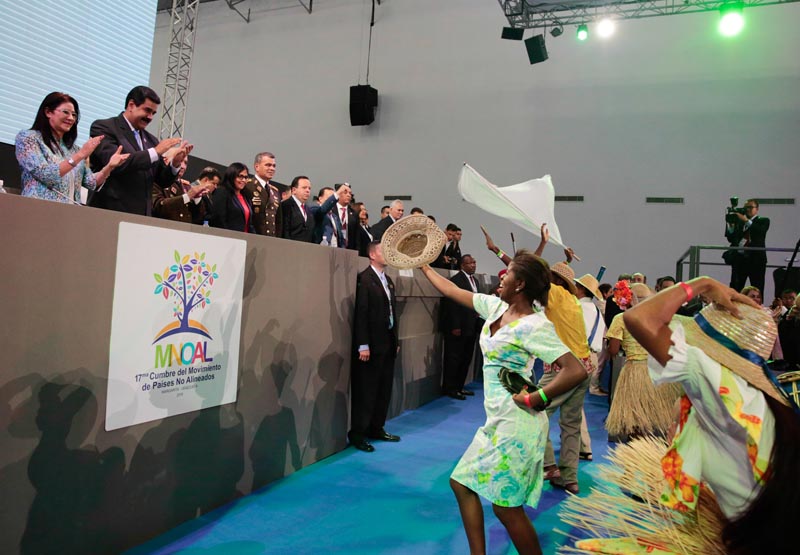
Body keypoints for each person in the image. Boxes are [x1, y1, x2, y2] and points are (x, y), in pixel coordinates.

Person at [420, 250, 587, 555]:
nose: (501, 276)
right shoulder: (495, 307)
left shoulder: (536, 326)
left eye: (507, 272)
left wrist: (537, 397)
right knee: (462, 484)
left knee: (506, 509)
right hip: (495, 421)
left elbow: (576, 369)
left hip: (518, 424)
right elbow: (452, 290)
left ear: (520, 283)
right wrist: (423, 265)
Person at [89, 85, 191, 215]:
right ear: (131, 105)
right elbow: (114, 163)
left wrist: (175, 164)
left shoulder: (151, 140)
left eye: (153, 113)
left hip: (141, 217)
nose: (150, 117)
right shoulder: (104, 127)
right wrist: (156, 152)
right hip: (109, 212)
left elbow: (161, 181)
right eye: (147, 110)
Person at [16, 92, 128, 203]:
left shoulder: (73, 149)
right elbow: (45, 174)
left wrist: (109, 166)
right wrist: (80, 155)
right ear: (48, 112)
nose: (71, 118)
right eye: (66, 112)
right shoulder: (29, 138)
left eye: (74, 115)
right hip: (37, 209)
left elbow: (91, 183)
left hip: (68, 214)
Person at [605, 283, 683, 440]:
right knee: (655, 419)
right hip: (657, 372)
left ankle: (638, 453)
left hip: (634, 371)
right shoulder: (658, 319)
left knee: (634, 420)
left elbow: (613, 350)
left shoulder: (621, 319)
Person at [349, 242, 401, 453]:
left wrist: (395, 341)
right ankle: (358, 433)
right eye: (382, 250)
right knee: (367, 391)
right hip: (370, 346)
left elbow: (392, 313)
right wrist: (363, 344)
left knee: (383, 389)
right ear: (371, 254)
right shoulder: (364, 279)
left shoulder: (388, 281)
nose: (387, 254)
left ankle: (376, 427)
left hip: (387, 344)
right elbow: (361, 314)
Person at [440, 254, 483, 400]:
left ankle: (459, 386)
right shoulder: (456, 281)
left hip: (471, 326)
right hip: (458, 327)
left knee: (466, 358)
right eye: (470, 263)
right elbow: (452, 305)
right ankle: (450, 388)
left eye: (475, 262)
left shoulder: (475, 281)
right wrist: (455, 326)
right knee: (454, 358)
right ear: (462, 265)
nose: (474, 265)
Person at [725, 198, 770, 293]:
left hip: (756, 260)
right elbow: (731, 238)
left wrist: (746, 220)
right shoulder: (740, 222)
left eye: (750, 207)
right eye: (745, 208)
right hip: (740, 260)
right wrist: (731, 226)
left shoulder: (763, 220)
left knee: (757, 288)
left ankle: (757, 307)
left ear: (757, 209)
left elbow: (760, 231)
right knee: (735, 288)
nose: (747, 210)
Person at [152, 164, 219, 224]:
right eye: (180, 161)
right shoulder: (157, 181)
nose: (183, 166)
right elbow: (158, 208)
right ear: (166, 160)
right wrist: (188, 196)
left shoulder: (186, 185)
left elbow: (196, 217)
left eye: (186, 163)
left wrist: (197, 198)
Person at [280, 176, 340, 243]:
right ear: (294, 190)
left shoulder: (308, 210)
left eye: (309, 188)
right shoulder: (285, 206)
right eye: (304, 188)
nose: (307, 190)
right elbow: (284, 231)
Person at [244, 152, 282, 237]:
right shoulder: (248, 186)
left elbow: (278, 222)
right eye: (268, 165)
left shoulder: (275, 191)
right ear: (257, 167)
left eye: (274, 166)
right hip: (253, 237)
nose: (272, 168)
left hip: (271, 239)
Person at [209, 163, 255, 233]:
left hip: (245, 241)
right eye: (240, 176)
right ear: (232, 176)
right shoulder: (222, 192)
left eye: (246, 177)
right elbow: (218, 220)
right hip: (228, 239)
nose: (243, 180)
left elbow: (250, 224)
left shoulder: (246, 196)